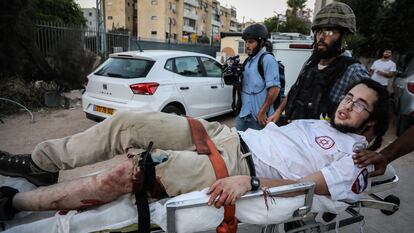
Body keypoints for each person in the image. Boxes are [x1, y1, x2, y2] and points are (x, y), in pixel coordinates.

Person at [0, 79, 389, 220]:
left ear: (372, 123)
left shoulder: (356, 159)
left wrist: (250, 181)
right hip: (226, 136)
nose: (347, 104)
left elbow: (304, 187)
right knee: (127, 122)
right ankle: (39, 163)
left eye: (359, 105)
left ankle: (14, 205)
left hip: (236, 165)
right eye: (349, 97)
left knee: (133, 173)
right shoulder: (318, 123)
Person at [267, 2, 369, 125]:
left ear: (344, 37)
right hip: (296, 134)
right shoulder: (311, 63)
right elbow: (295, 90)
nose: (321, 37)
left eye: (329, 32)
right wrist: (278, 112)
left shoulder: (353, 71)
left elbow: (370, 116)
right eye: (319, 32)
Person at [236, 23, 281, 131]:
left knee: (258, 148)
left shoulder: (267, 60)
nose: (247, 45)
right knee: (239, 146)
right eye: (246, 42)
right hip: (243, 116)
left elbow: (274, 89)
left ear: (261, 42)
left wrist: (262, 112)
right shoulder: (247, 61)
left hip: (259, 119)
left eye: (251, 42)